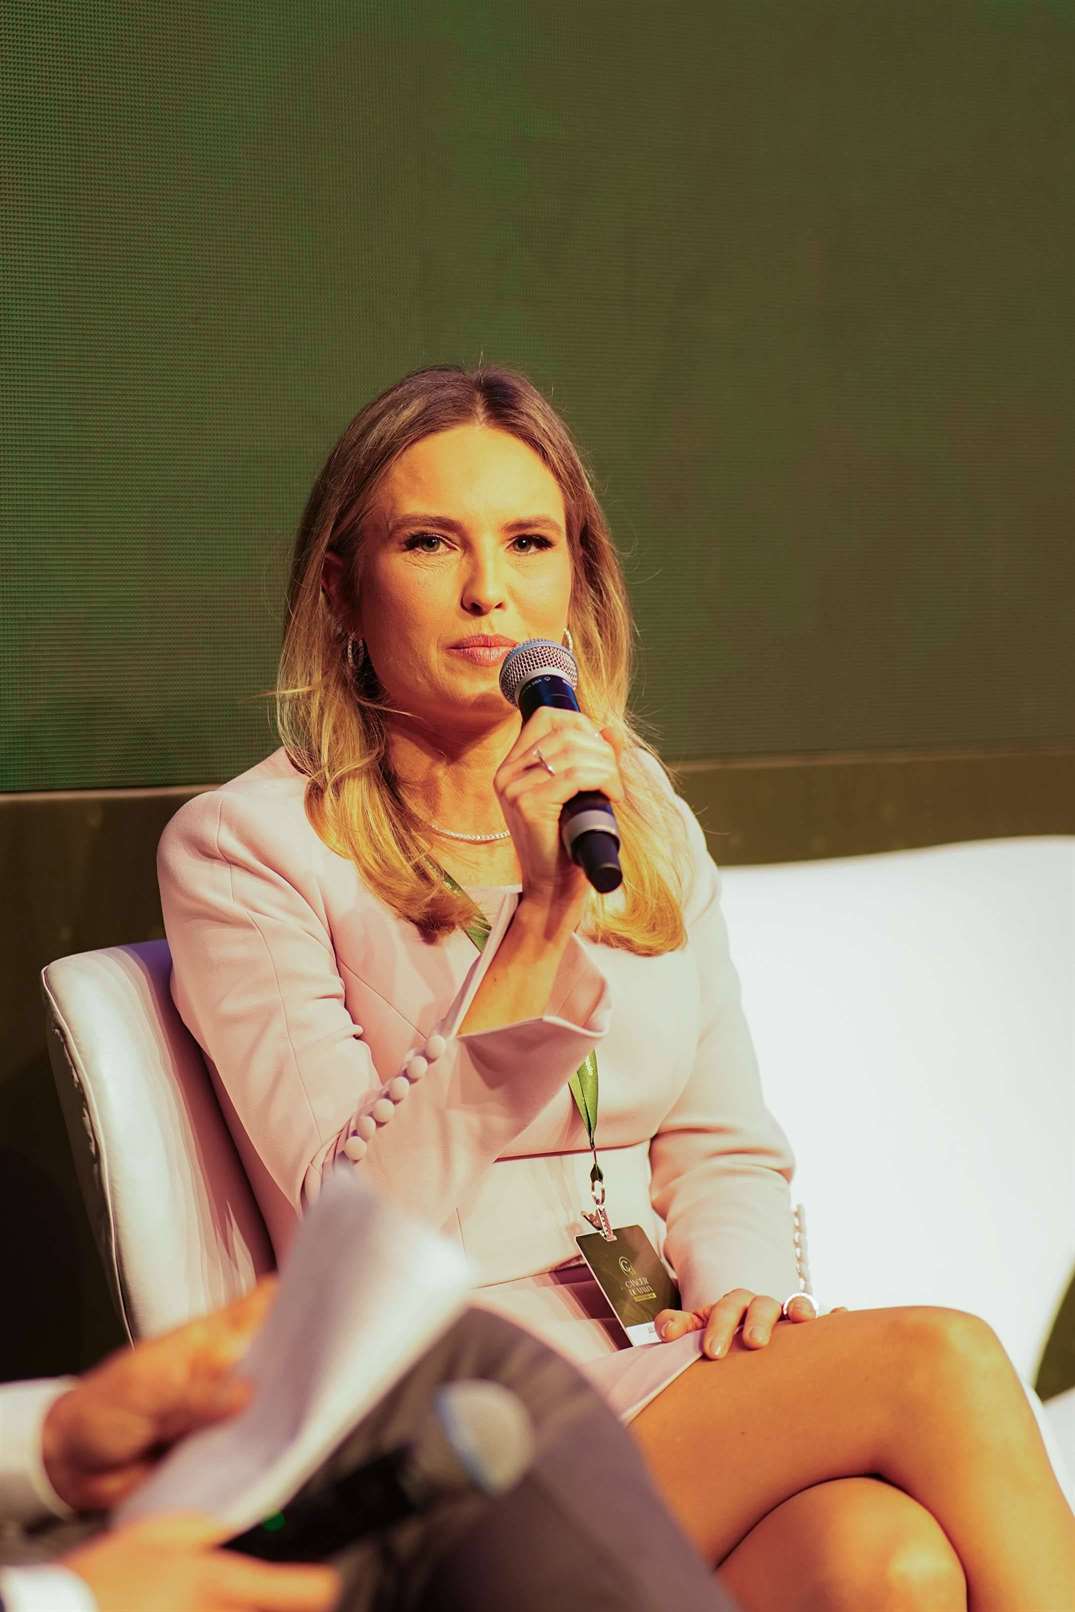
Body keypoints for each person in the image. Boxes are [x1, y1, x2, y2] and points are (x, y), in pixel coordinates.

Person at [158, 363, 1075, 1611]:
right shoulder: (249, 850)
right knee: (941, 1360)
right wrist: (537, 922)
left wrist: (743, 1294)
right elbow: (355, 1231)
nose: (488, 588)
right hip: (443, 1415)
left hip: (657, 1359)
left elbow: (722, 1144)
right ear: (340, 587)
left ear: (576, 576)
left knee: (882, 1561)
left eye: (528, 541)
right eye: (431, 542)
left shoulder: (636, 815)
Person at [1, 1280, 730, 1612]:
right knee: (471, 1367)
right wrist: (70, 1600)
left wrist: (49, 1442)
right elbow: (356, 1181)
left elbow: (724, 1151)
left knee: (834, 1535)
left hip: (655, 1321)